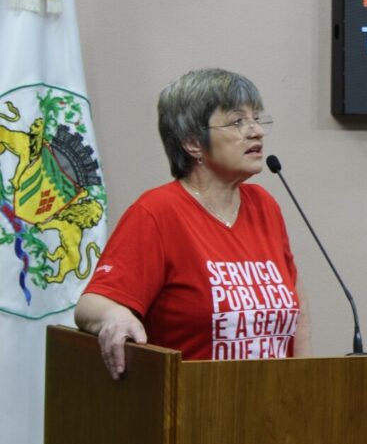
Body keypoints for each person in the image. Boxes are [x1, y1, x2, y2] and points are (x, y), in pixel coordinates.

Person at [76, 68, 311, 379]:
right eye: (237, 121)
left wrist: (306, 383)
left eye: (257, 118)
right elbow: (92, 304)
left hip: (275, 411)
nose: (257, 131)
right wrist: (115, 317)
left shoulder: (264, 206)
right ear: (192, 143)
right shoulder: (157, 212)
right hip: (194, 411)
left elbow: (297, 305)